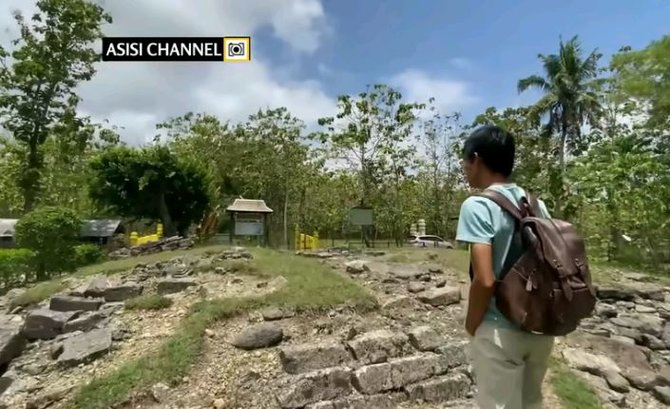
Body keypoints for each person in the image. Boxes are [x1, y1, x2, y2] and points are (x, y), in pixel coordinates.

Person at [455, 125, 554, 409]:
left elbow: (485, 280)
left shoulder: (477, 206)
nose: (465, 169)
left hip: (500, 330)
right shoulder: (537, 205)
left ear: (476, 159)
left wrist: (472, 324)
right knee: (531, 402)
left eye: (465, 161)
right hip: (539, 327)